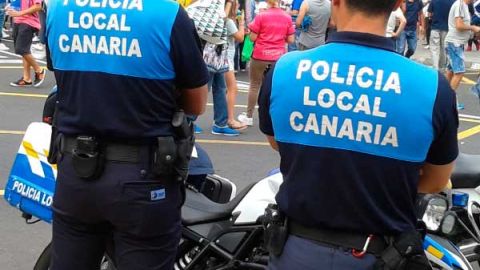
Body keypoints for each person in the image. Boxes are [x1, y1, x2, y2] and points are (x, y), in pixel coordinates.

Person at [258, 0, 458, 268]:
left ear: (336, 2)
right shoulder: (433, 86)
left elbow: (277, 142)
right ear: (398, 4)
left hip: (296, 250)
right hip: (381, 255)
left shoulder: (285, 69)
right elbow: (436, 179)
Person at [45, 1, 209, 269]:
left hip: (75, 172)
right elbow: (196, 105)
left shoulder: (57, 8)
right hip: (143, 179)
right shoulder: (166, 14)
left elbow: (63, 77)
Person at [238, 0, 295, 127]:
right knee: (274, 87)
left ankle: (248, 116)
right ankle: (273, 117)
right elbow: (290, 39)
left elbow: (252, 37)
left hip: (260, 55)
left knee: (254, 86)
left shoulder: (261, 16)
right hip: (277, 57)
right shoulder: (287, 17)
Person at [6, 0, 46, 87]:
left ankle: (39, 70)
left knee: (21, 49)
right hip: (17, 21)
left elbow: (38, 6)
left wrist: (19, 13)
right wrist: (9, 7)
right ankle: (26, 78)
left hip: (28, 22)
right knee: (24, 51)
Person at [445, 0, 480, 93]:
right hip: (454, 43)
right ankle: (449, 101)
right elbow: (459, 25)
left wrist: (473, 33)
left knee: (451, 71)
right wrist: (473, 27)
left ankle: (443, 95)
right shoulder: (460, 4)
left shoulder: (464, 6)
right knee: (459, 72)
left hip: (457, 43)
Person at [225, 5, 248, 130]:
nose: (239, 6)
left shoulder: (224, 20)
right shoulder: (228, 21)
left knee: (219, 90)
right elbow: (240, 37)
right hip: (225, 58)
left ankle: (222, 120)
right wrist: (241, 23)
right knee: (232, 88)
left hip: (221, 57)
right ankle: (230, 119)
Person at [428, 0, 456, 70]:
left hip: (435, 27)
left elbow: (429, 14)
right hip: (447, 28)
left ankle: (435, 67)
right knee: (444, 48)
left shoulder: (434, 1)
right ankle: (442, 66)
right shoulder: (452, 2)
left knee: (434, 48)